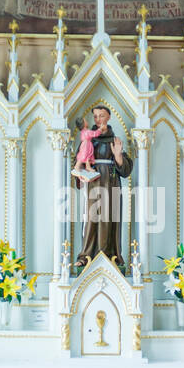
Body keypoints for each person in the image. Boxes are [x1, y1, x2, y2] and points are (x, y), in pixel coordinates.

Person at [75, 104, 133, 271]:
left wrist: (117, 155)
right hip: (93, 181)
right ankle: (86, 257)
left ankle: (109, 255)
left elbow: (125, 170)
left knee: (109, 218)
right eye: (95, 116)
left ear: (108, 117)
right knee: (91, 218)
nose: (98, 119)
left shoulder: (114, 141)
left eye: (101, 115)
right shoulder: (89, 139)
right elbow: (79, 159)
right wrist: (79, 173)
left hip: (111, 182)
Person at [72, 116, 100, 183]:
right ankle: (77, 166)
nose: (87, 122)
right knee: (83, 156)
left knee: (88, 157)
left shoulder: (83, 131)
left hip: (87, 145)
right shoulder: (86, 131)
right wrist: (100, 130)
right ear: (83, 124)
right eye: (85, 121)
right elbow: (94, 134)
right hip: (86, 146)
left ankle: (88, 167)